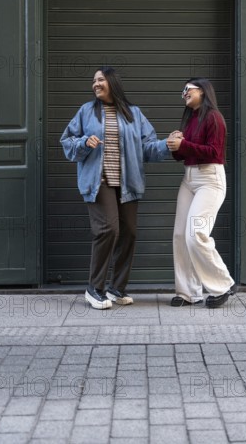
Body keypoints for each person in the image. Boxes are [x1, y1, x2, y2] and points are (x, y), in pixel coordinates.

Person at [60, 66, 169, 310]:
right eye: (94, 81)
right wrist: (84, 143)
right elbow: (67, 142)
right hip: (99, 182)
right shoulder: (86, 112)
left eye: (100, 80)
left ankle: (116, 288)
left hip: (128, 182)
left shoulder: (134, 113)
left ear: (112, 82)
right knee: (108, 229)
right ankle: (94, 288)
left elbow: (148, 147)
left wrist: (167, 145)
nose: (95, 84)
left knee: (128, 232)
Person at [167, 78, 236, 308]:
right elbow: (183, 155)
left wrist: (184, 145)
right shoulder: (191, 119)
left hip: (209, 179)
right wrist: (175, 144)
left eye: (188, 89)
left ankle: (223, 285)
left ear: (203, 91)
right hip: (189, 179)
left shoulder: (213, 117)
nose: (184, 93)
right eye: (182, 90)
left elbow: (213, 152)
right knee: (180, 235)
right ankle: (188, 292)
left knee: (195, 233)